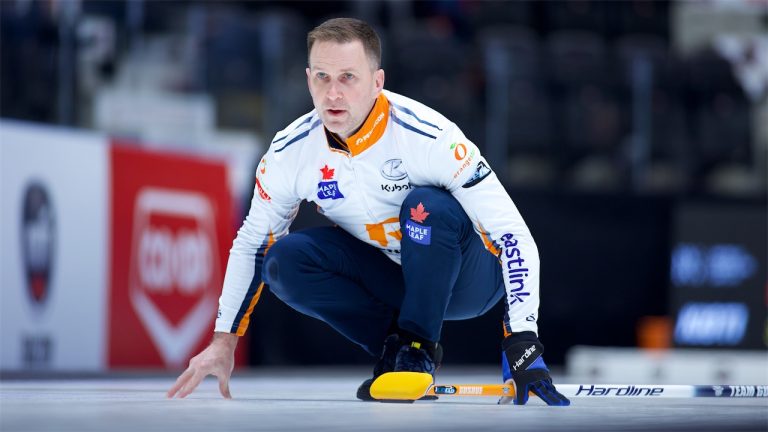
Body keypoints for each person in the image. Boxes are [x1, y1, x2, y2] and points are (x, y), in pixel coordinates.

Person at [167, 17, 569, 406]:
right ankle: (402, 356)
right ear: (308, 79)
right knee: (282, 262)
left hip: (469, 281)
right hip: (392, 277)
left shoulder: (429, 137)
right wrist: (224, 340)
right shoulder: (290, 152)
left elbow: (511, 232)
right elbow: (252, 241)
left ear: (377, 82)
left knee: (425, 206)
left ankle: (417, 343)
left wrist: (522, 339)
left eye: (348, 77)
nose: (333, 94)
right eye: (322, 77)